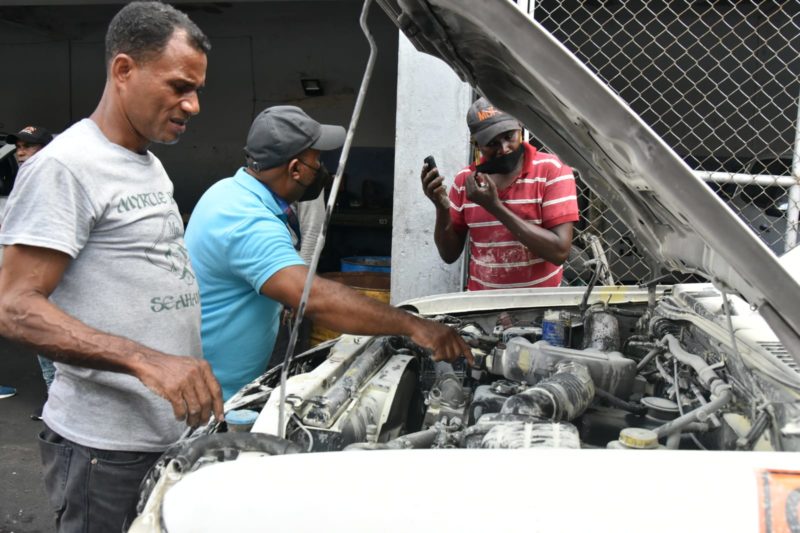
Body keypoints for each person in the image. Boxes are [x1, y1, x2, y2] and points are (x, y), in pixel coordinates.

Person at [0, 3, 222, 531]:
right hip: (104, 453)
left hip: (167, 436)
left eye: (196, 91)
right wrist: (149, 361)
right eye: (178, 86)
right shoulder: (65, 167)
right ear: (123, 70)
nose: (192, 105)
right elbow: (13, 308)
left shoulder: (148, 162)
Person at [185, 105, 473, 400]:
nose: (323, 170)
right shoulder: (245, 218)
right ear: (295, 169)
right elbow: (314, 297)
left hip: (225, 385)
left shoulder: (228, 191)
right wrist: (414, 326)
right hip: (213, 400)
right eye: (316, 161)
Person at [421, 97, 580, 290]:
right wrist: (441, 208)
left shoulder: (552, 170)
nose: (504, 149)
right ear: (476, 144)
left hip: (539, 306)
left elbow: (559, 252)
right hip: (483, 306)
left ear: (520, 126)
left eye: (509, 137)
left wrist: (495, 207)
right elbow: (449, 255)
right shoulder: (466, 181)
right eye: (492, 143)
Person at [3, 127, 57, 417]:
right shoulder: (23, 179)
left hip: (51, 275)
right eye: (19, 147)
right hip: (32, 275)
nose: (21, 152)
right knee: (42, 341)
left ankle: (59, 406)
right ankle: (54, 402)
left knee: (51, 340)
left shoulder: (52, 180)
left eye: (28, 147)